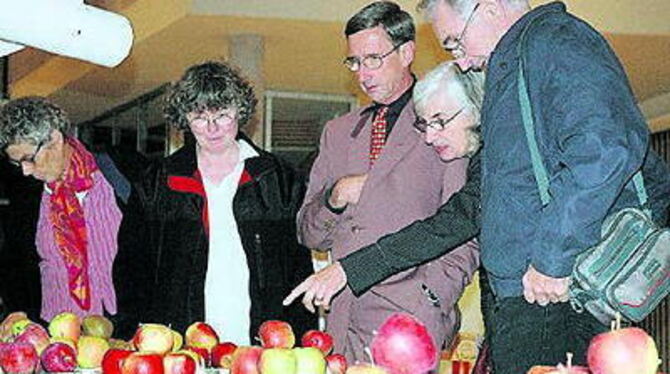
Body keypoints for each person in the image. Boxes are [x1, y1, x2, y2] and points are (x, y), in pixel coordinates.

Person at [290, 1, 670, 373]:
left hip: (559, 293)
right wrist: (353, 269)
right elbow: (464, 212)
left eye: (455, 42)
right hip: (526, 301)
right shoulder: (512, 70)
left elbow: (606, 148)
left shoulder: (555, 40)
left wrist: (553, 257)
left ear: (488, 8)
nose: (463, 60)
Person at [290, 2, 479, 364]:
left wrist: (430, 299)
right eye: (355, 62)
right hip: (341, 322)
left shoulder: (446, 120)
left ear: (406, 52)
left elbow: (464, 228)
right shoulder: (338, 132)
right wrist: (336, 195)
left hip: (411, 324)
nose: (363, 73)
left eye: (374, 58)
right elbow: (309, 235)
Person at [113, 61, 316, 342]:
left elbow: (298, 268)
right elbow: (132, 268)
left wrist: (302, 338)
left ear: (239, 111)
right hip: (180, 341)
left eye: (222, 114)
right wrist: (134, 332)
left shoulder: (279, 179)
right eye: (199, 116)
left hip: (264, 339)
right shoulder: (156, 183)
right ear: (184, 118)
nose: (212, 128)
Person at [0, 96, 146, 324]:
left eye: (29, 159)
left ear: (55, 140)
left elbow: (155, 247)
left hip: (125, 327)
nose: (25, 171)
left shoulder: (121, 173)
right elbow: (14, 261)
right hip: (56, 331)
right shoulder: (27, 199)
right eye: (17, 163)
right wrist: (17, 308)